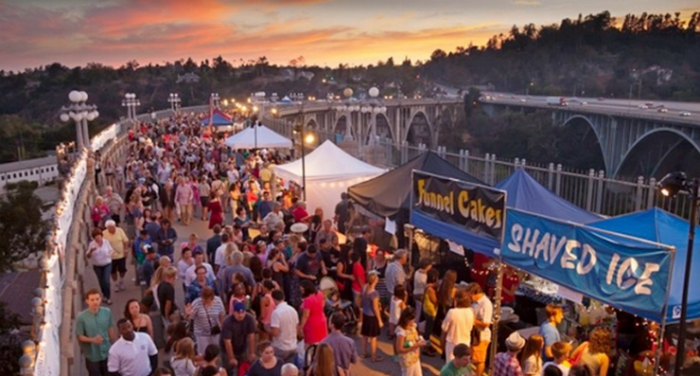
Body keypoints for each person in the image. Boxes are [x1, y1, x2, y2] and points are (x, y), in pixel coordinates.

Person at [76, 289, 116, 376]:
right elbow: (79, 336)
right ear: (87, 301)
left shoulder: (107, 312)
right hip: (92, 355)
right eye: (92, 300)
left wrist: (113, 345)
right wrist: (92, 340)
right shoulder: (81, 317)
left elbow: (110, 328)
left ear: (101, 299)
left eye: (97, 299)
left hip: (106, 351)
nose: (95, 302)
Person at [186, 286, 226, 355]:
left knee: (215, 353)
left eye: (207, 299)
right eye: (203, 299)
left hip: (215, 332)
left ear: (212, 297)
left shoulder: (218, 301)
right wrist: (187, 314)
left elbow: (222, 315)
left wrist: (222, 328)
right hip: (201, 334)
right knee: (203, 354)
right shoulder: (196, 303)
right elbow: (190, 318)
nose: (205, 301)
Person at [221, 302, 257, 372]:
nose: (240, 315)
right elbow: (227, 342)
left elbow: (251, 337)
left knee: (243, 368)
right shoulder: (228, 322)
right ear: (234, 312)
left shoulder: (249, 319)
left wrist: (251, 353)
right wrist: (231, 358)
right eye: (238, 313)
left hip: (242, 347)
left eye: (242, 312)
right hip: (227, 349)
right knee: (229, 369)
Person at [441, 289, 475, 362]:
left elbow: (444, 330)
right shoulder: (471, 311)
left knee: (451, 367)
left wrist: (442, 346)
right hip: (466, 343)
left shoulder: (452, 312)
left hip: (452, 344)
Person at [266, 289, 298, 363]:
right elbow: (296, 328)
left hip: (280, 347)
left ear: (273, 299)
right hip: (292, 346)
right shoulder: (293, 310)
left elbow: (275, 332)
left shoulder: (276, 313)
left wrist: (267, 328)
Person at [468, 283, 493, 376]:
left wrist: (473, 320)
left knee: (479, 359)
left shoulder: (486, 304)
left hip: (482, 336)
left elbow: (486, 323)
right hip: (474, 333)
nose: (470, 298)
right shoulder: (474, 302)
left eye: (470, 296)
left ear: (475, 293)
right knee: (472, 356)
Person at [395, 307, 426, 376]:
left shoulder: (413, 326)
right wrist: (415, 346)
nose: (413, 321)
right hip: (407, 360)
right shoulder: (401, 332)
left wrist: (420, 340)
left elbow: (415, 337)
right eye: (411, 320)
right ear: (406, 319)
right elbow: (399, 349)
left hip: (415, 358)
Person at [86, 229, 114, 305]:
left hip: (107, 263)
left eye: (99, 236)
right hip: (97, 265)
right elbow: (88, 256)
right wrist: (91, 251)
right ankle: (104, 294)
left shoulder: (106, 242)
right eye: (96, 237)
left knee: (106, 280)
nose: (98, 238)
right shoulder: (92, 244)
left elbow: (111, 250)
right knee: (101, 281)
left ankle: (108, 297)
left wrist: (110, 254)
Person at [360, 272, 384, 362]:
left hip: (365, 314)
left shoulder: (365, 288)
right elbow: (375, 308)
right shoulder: (374, 293)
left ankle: (364, 353)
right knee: (373, 337)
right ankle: (374, 357)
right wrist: (380, 320)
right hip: (372, 316)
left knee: (365, 335)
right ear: (375, 281)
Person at [103, 220, 130, 293]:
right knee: (113, 271)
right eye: (111, 228)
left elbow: (125, 241)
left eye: (114, 227)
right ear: (107, 228)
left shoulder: (120, 230)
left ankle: (121, 281)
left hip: (121, 255)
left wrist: (126, 250)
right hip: (111, 257)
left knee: (122, 270)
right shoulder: (104, 233)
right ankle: (116, 284)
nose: (113, 229)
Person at [299, 280, 328, 346]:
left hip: (312, 324)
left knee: (310, 345)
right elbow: (323, 303)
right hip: (321, 319)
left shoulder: (308, 300)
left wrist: (301, 327)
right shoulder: (319, 293)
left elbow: (306, 315)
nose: (301, 292)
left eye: (302, 290)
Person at [413, 259, 432, 324]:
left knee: (417, 310)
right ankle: (417, 325)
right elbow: (424, 285)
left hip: (415, 292)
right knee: (420, 312)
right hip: (420, 294)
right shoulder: (423, 275)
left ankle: (416, 324)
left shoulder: (417, 271)